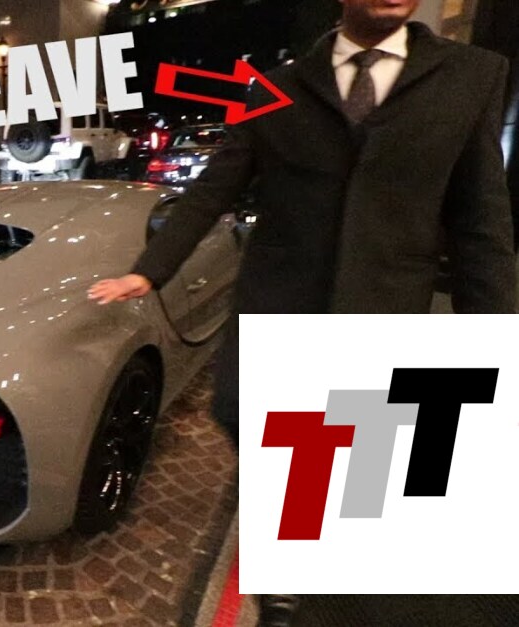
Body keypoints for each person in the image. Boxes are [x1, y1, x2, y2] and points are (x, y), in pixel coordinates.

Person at [89, 0, 515, 624]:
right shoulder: (276, 87)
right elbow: (216, 186)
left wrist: (496, 338)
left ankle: (308, 581)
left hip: (381, 309)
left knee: (354, 463)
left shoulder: (471, 76)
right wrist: (150, 269)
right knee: (245, 417)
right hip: (277, 303)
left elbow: (480, 219)